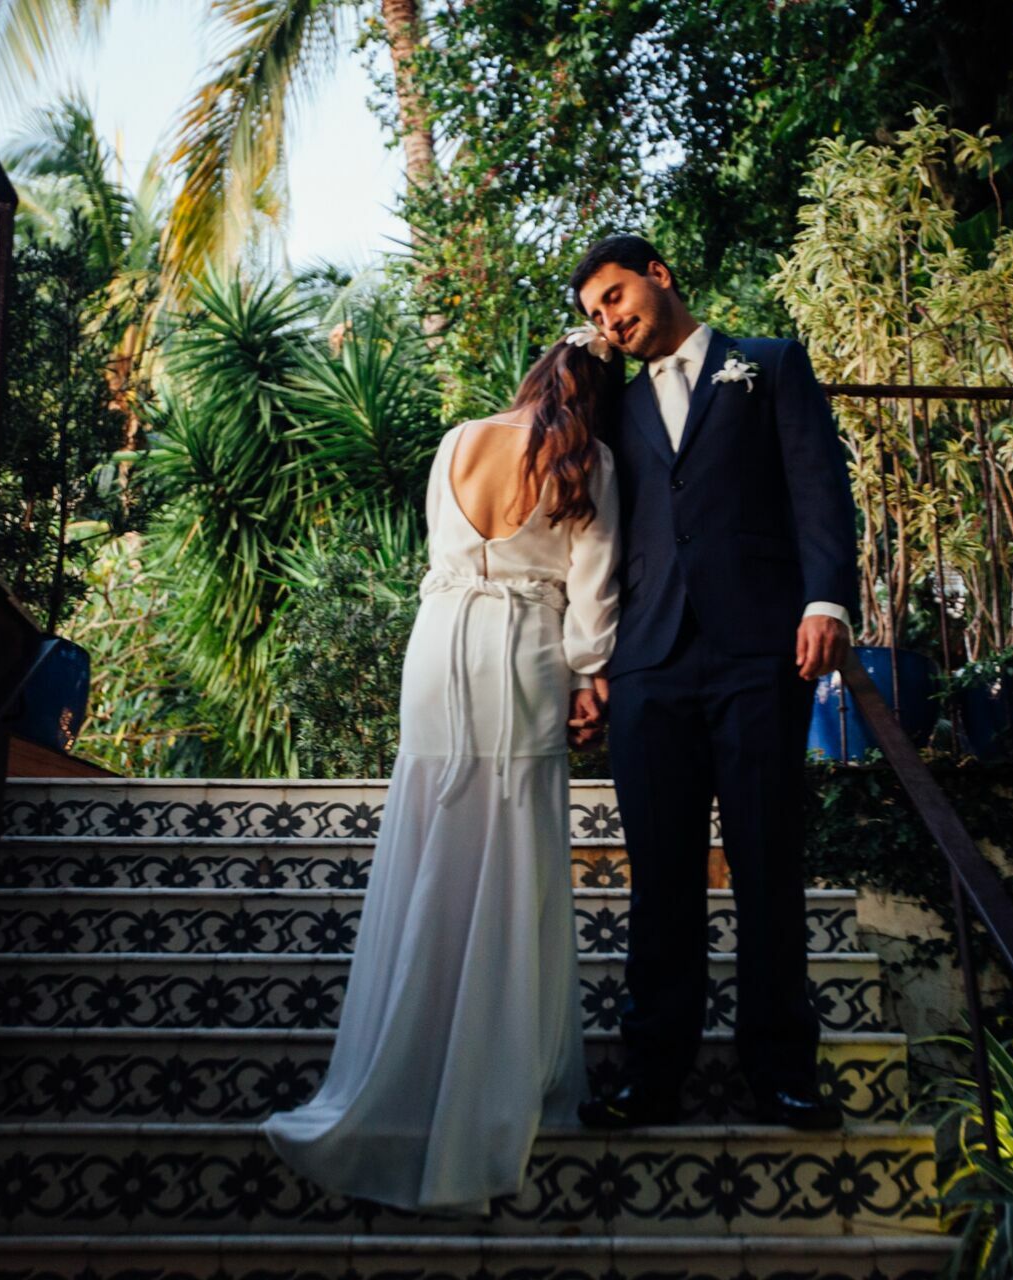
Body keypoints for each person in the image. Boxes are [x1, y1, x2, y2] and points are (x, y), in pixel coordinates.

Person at [260, 328, 622, 1213]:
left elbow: (440, 555)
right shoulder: (593, 463)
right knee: (514, 863)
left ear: (535, 375)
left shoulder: (459, 438)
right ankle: (494, 1079)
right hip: (523, 652)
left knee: (429, 845)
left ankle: (404, 1062)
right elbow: (595, 586)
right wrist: (588, 669)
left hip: (437, 651)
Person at [570, 234, 858, 1131]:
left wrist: (827, 602)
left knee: (769, 862)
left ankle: (783, 1072)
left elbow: (820, 489)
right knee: (661, 876)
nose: (610, 321)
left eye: (615, 297)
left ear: (658, 274)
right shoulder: (612, 408)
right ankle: (652, 1073)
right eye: (594, 315)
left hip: (758, 654)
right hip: (647, 663)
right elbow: (589, 532)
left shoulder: (768, 366)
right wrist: (590, 662)